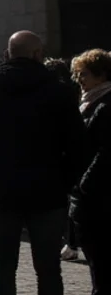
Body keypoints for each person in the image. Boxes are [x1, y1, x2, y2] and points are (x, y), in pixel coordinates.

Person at [0, 31, 85, 295]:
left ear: (7, 54)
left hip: (1, 188)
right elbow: (77, 143)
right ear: (38, 55)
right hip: (47, 189)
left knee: (2, 265)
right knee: (48, 266)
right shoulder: (59, 92)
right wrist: (65, 179)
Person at [69, 49, 111, 293]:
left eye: (83, 74)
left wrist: (84, 184)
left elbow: (104, 152)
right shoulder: (88, 102)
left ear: (101, 74)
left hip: (98, 197)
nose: (80, 79)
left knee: (101, 262)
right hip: (89, 194)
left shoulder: (104, 106)